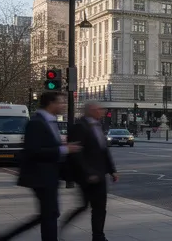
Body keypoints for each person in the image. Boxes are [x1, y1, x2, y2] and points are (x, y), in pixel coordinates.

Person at [0, 91, 80, 241]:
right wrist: (64, 149)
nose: (63, 105)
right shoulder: (36, 122)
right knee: (50, 214)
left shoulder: (49, 121)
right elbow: (33, 151)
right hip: (40, 176)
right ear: (51, 104)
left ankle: (5, 237)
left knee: (49, 214)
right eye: (60, 102)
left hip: (49, 175)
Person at [62, 102, 118, 241]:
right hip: (86, 175)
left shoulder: (98, 126)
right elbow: (76, 154)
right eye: (99, 109)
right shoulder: (79, 127)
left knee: (100, 207)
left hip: (100, 174)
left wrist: (112, 171)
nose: (102, 111)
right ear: (91, 111)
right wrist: (88, 173)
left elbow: (104, 151)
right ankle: (63, 225)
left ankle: (98, 236)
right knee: (84, 206)